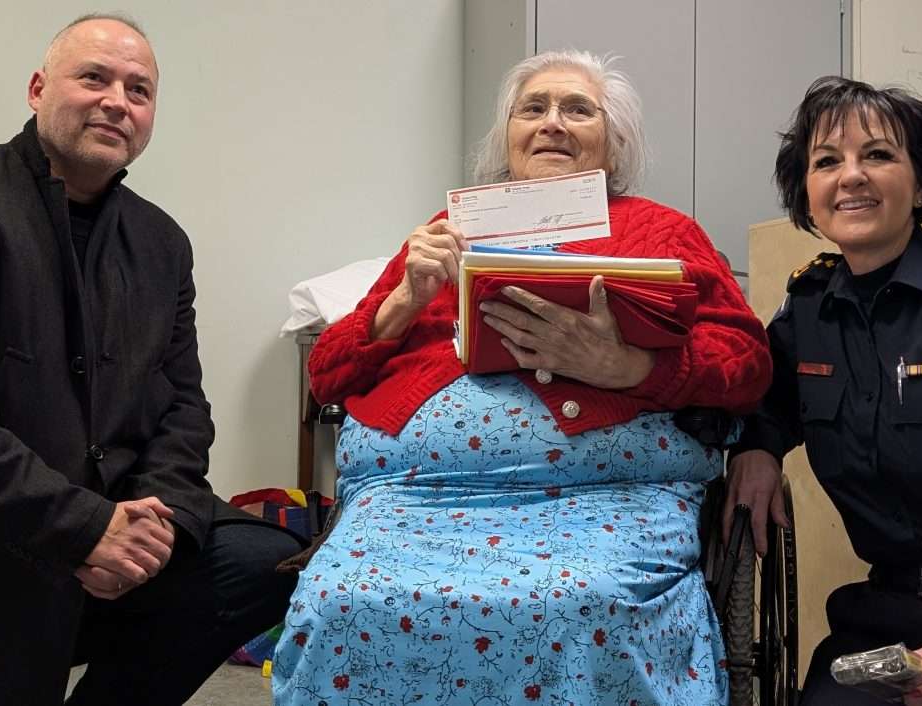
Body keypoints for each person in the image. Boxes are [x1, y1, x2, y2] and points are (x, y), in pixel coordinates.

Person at [273, 49, 771, 706]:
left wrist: (632, 368)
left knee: (586, 606)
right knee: (341, 601)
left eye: (577, 109)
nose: (552, 124)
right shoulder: (448, 232)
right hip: (414, 499)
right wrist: (400, 302)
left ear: (613, 146)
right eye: (532, 108)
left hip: (600, 500)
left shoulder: (664, 231)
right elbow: (327, 372)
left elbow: (746, 361)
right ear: (507, 136)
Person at [0, 14, 306, 705]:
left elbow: (185, 410)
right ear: (38, 88)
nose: (117, 101)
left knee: (265, 559)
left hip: (118, 521)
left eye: (139, 90)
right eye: (93, 77)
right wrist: (80, 528)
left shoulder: (162, 243)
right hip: (8, 530)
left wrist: (147, 525)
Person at [726, 76, 922, 706]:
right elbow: (757, 394)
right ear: (807, 192)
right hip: (885, 619)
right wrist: (757, 446)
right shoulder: (807, 312)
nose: (850, 176)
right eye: (827, 161)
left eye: (878, 155)